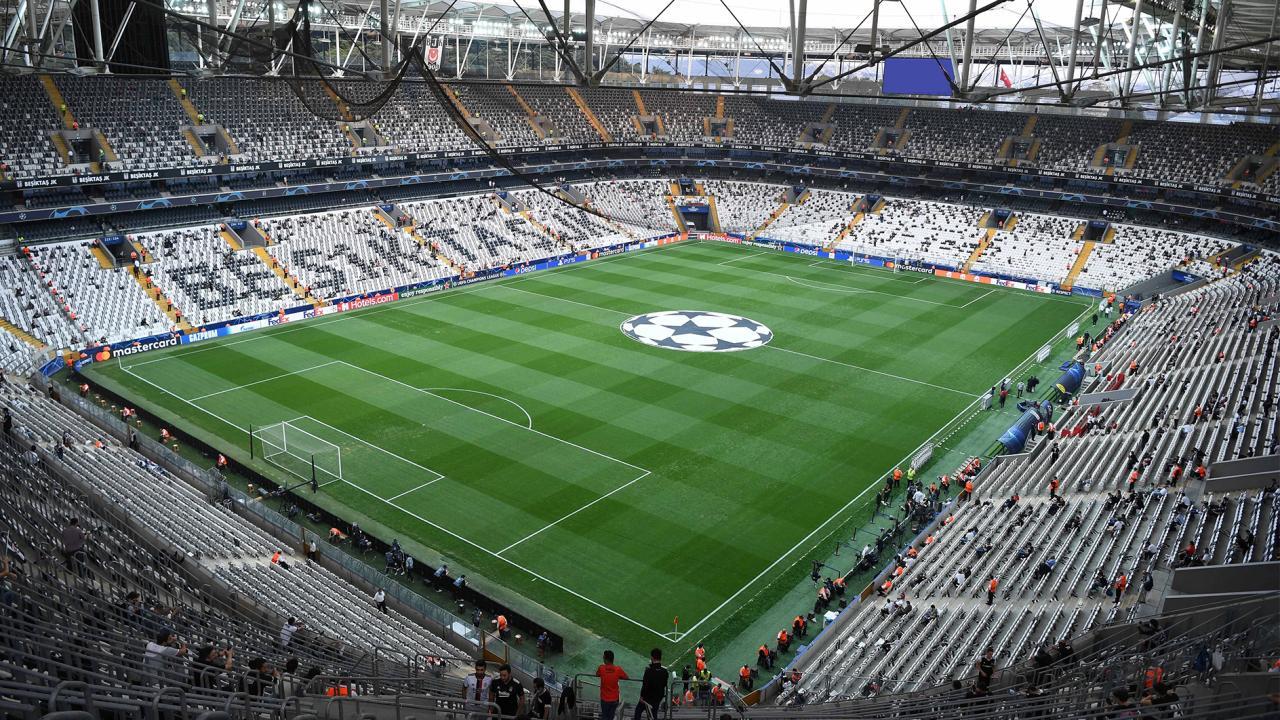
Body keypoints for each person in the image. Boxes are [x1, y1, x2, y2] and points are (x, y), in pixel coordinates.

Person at [596, 650, 628, 720]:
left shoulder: (601, 668)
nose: (603, 659)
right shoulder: (618, 669)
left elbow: (597, 674)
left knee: (605, 716)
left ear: (606, 659)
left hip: (604, 699)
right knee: (611, 716)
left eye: (604, 658)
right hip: (614, 699)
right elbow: (626, 677)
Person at [637, 648, 667, 719]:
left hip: (647, 698)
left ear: (652, 658)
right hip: (658, 698)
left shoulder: (648, 671)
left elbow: (645, 685)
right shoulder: (665, 672)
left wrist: (641, 697)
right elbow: (664, 684)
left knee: (638, 712)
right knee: (653, 714)